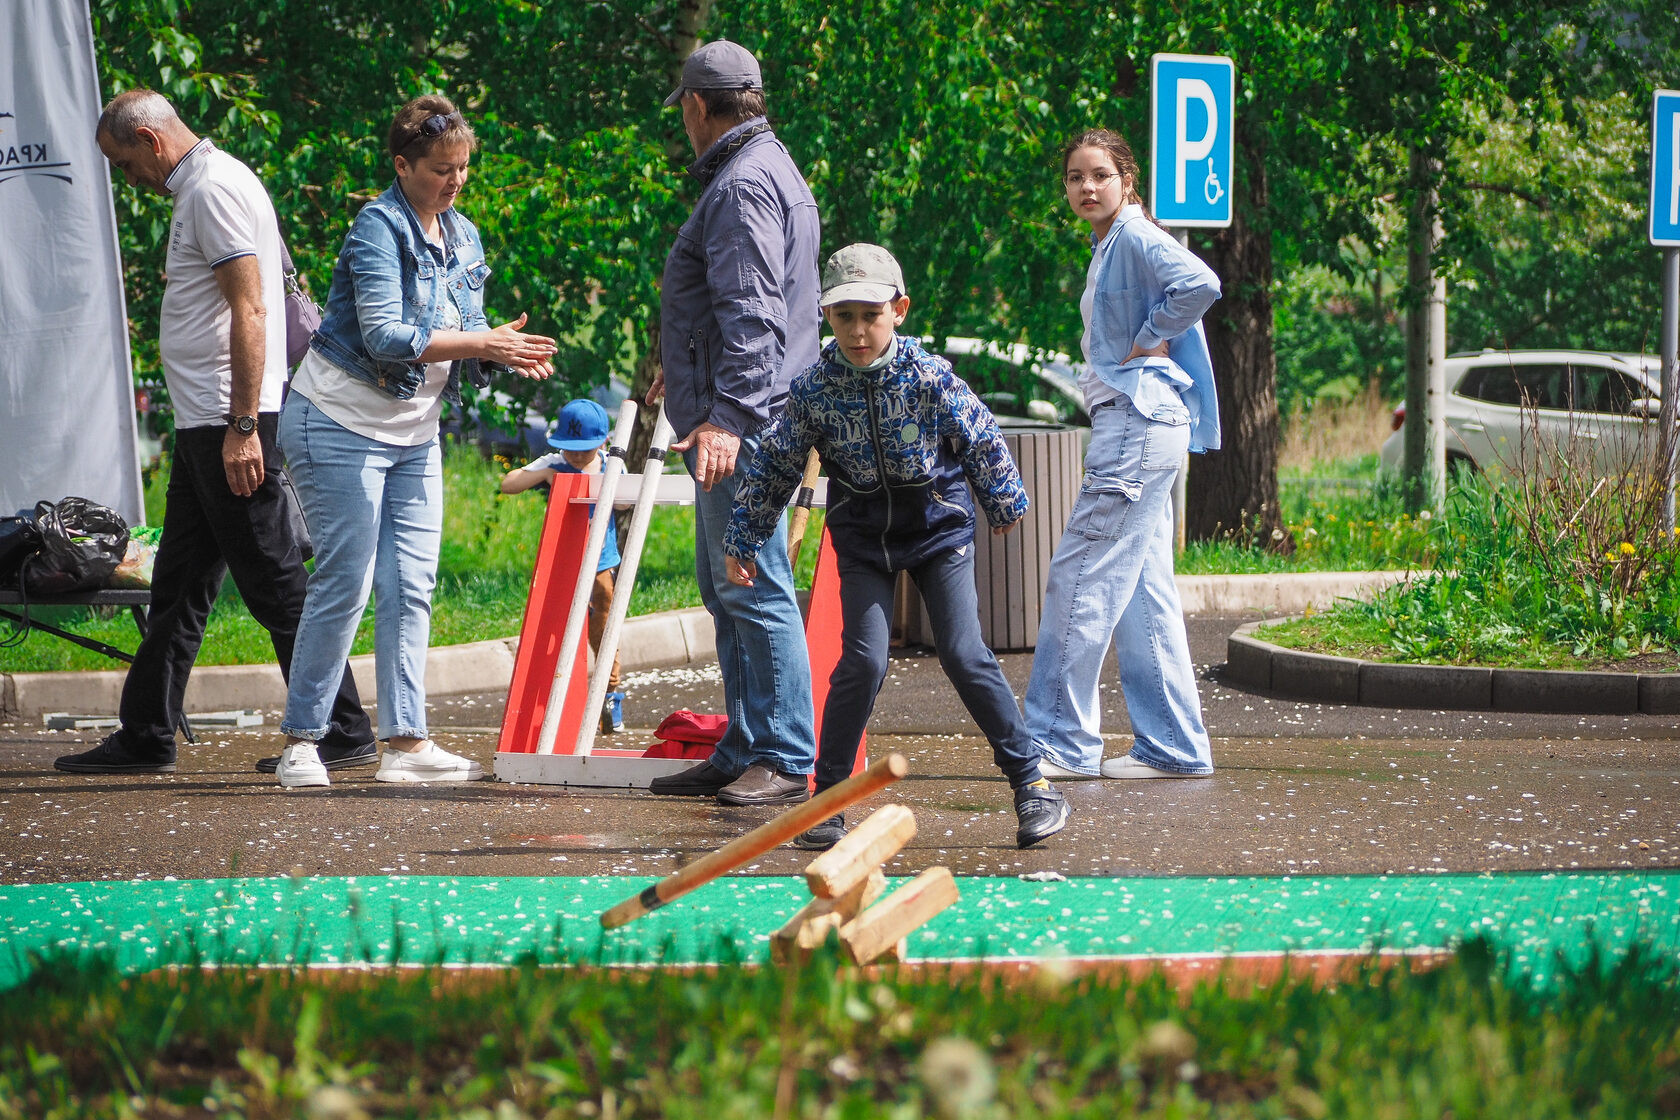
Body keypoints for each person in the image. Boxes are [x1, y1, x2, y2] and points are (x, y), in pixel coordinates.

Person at [55, 90, 377, 776]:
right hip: (209, 422)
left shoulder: (212, 190)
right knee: (177, 586)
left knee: (275, 583)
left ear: (149, 138)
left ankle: (342, 730)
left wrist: (242, 429)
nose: (127, 178)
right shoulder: (211, 181)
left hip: (229, 423)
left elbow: (252, 309)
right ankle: (146, 734)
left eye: (123, 162)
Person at [725, 244, 1071, 849]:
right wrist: (745, 538)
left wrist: (1004, 501)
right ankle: (826, 803)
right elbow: (776, 465)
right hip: (862, 539)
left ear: (899, 310)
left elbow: (979, 433)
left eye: (871, 315)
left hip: (937, 530)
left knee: (964, 654)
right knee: (862, 662)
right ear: (826, 318)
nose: (858, 331)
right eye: (843, 317)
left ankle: (1032, 784)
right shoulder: (814, 391)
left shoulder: (928, 376)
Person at [271, 94, 556, 788]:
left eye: (462, 168)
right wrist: (479, 341)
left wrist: (501, 348)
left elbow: (469, 317)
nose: (454, 181)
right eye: (438, 169)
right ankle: (302, 743)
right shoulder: (377, 229)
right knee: (347, 581)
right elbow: (385, 336)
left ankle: (405, 744)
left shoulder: (464, 234)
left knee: (412, 584)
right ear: (402, 165)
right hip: (337, 424)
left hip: (411, 436)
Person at [644, 40, 820, 807]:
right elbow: (736, 307)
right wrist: (676, 370)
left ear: (694, 106)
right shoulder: (768, 167)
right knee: (729, 590)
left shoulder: (742, 184)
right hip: (750, 416)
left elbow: (755, 319)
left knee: (753, 586)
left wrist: (725, 420)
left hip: (747, 426)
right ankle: (746, 743)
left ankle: (783, 755)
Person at [1024, 128, 1220, 781]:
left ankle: (1060, 743)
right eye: (1076, 176)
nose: (1087, 187)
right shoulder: (1108, 245)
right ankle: (1172, 747)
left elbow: (1200, 282)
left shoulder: (1133, 237)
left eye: (1101, 175)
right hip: (1145, 421)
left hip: (1136, 421)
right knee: (1140, 591)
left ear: (1127, 181)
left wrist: (1149, 336)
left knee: (1079, 578)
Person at [500, 397, 626, 733]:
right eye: (568, 448)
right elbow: (508, 484)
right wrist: (547, 475)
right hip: (562, 558)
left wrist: (612, 487)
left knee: (604, 613)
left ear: (603, 442)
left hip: (601, 558)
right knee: (560, 620)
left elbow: (628, 500)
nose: (575, 456)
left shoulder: (611, 464)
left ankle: (610, 690)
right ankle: (554, 693)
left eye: (583, 450)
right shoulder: (554, 463)